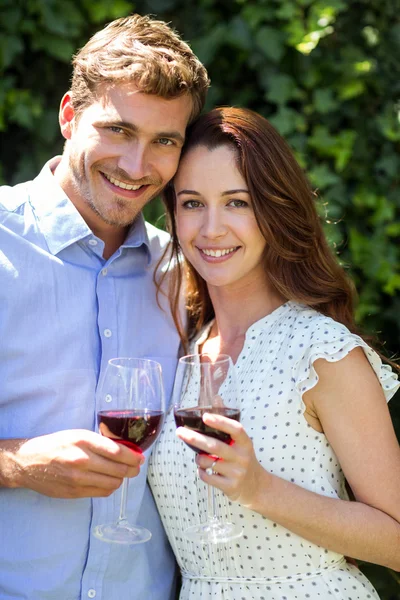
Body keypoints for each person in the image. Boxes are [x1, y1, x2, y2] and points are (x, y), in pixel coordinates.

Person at [148, 107, 400, 599]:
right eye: (193, 203)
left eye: (237, 203)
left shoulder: (322, 352)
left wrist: (261, 490)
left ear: (273, 211)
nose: (212, 228)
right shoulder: (181, 351)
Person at [0, 14, 209, 600]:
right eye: (118, 130)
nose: (138, 166)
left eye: (164, 141)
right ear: (69, 115)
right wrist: (15, 463)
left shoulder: (189, 273)